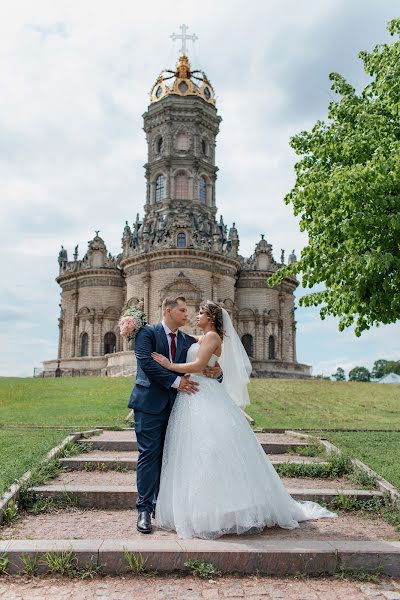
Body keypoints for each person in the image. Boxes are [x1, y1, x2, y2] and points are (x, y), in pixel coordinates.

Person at [151, 300, 336, 540]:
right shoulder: (204, 337)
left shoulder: (213, 338)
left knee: (210, 449)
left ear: (211, 317)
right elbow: (200, 354)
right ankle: (202, 509)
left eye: (200, 313)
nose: (196, 316)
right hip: (193, 396)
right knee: (195, 451)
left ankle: (218, 511)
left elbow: (198, 365)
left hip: (203, 394)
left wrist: (169, 365)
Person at [128, 295, 222, 534]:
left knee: (173, 456)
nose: (187, 314)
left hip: (179, 407)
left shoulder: (188, 340)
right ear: (168, 311)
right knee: (149, 454)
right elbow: (147, 366)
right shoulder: (147, 334)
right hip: (149, 404)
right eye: (182, 310)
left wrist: (217, 373)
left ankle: (165, 507)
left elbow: (205, 362)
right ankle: (144, 510)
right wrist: (176, 382)